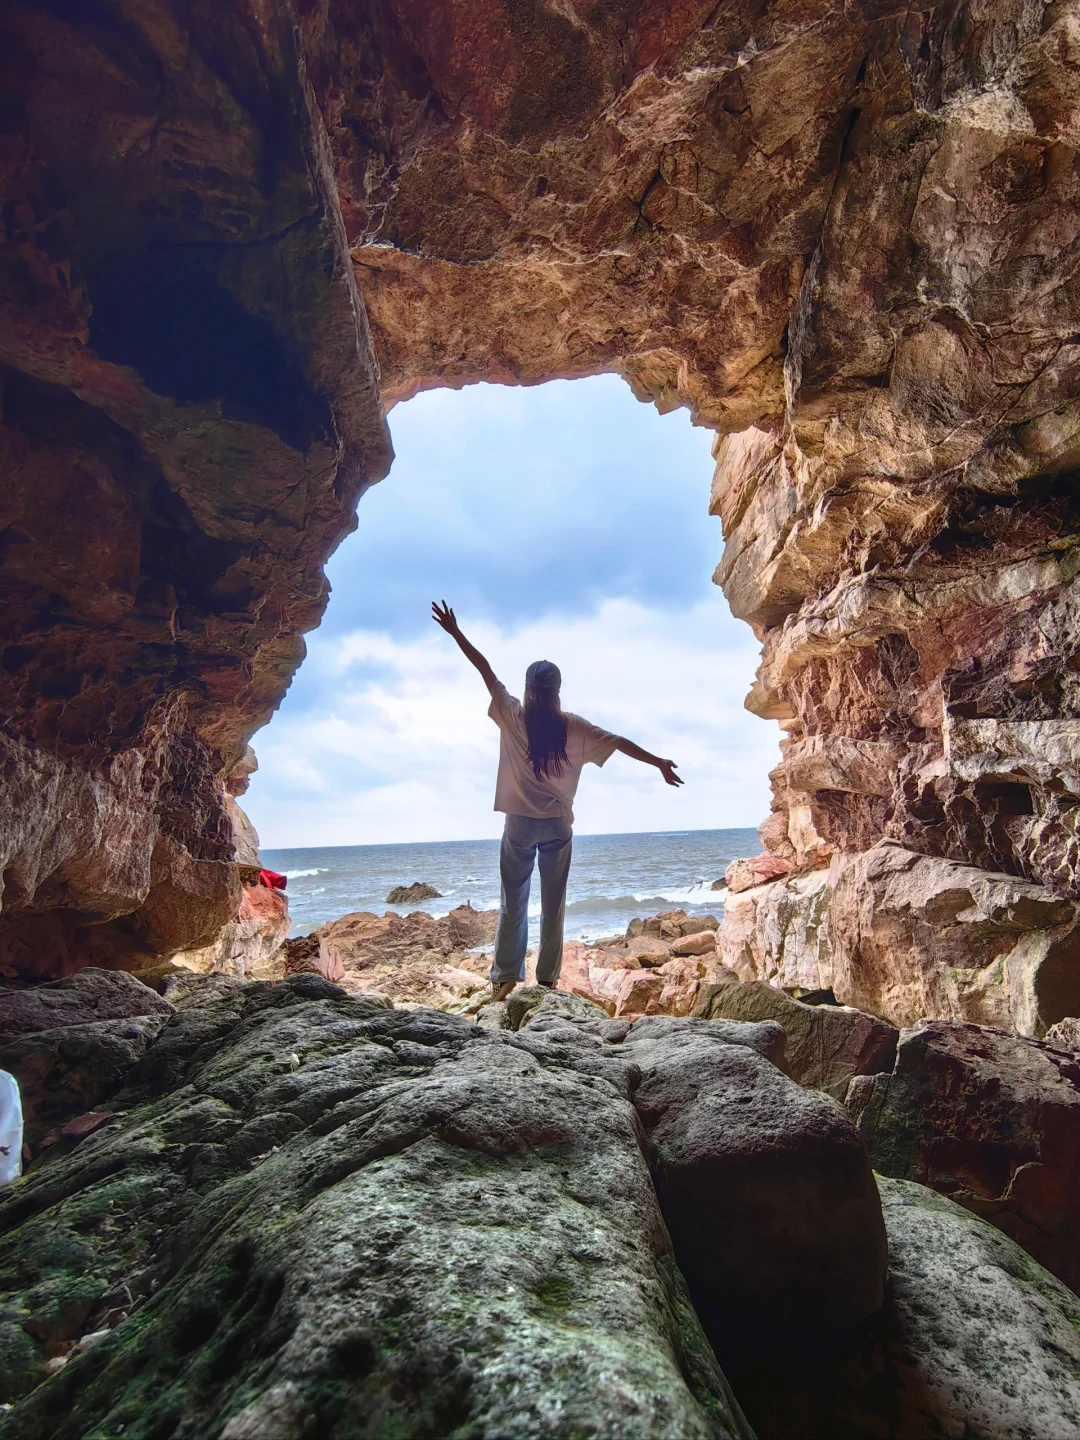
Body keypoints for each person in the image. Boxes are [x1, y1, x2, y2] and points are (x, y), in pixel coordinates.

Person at [432, 601, 683, 1001]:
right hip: (557, 826)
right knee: (554, 906)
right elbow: (618, 742)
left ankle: (505, 980)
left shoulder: (512, 714)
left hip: (518, 825)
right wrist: (658, 763)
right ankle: (547, 981)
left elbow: (485, 671)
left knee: (513, 903)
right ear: (558, 691)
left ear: (529, 689)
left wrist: (455, 632)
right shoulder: (574, 727)